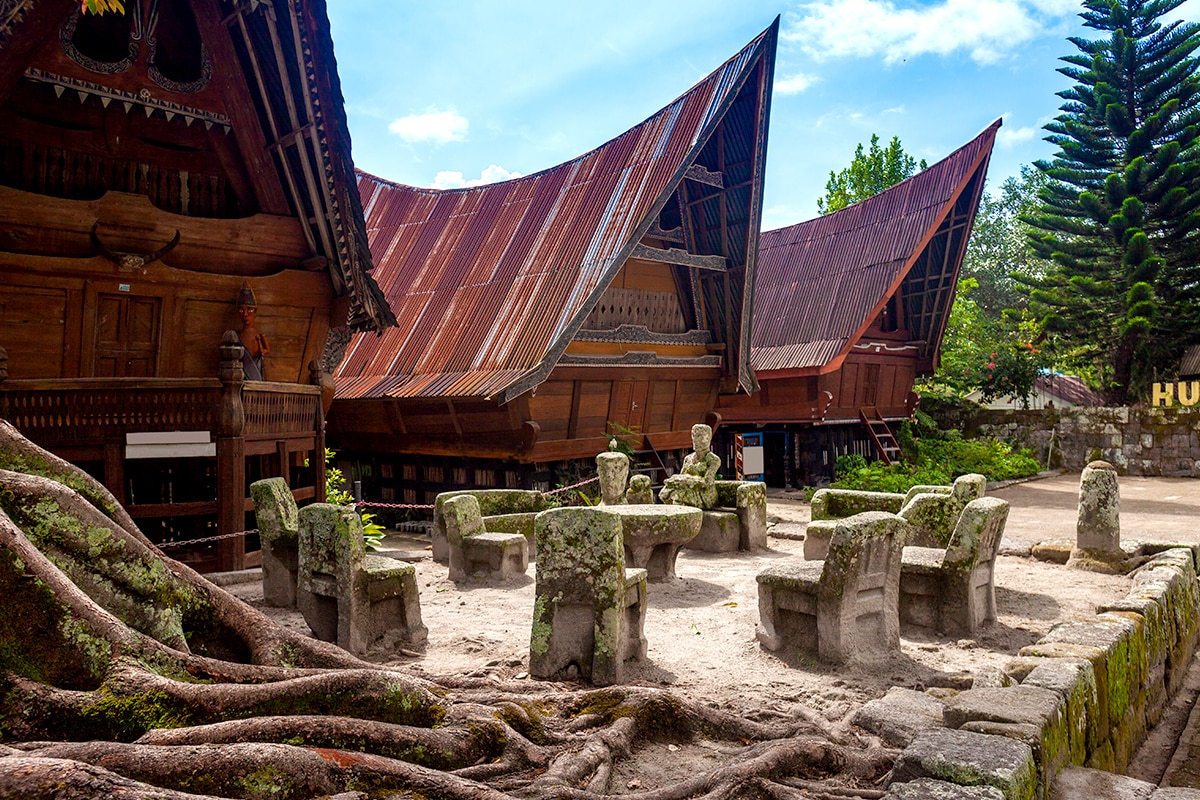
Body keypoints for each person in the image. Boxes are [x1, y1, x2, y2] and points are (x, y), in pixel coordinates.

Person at [659, 423, 721, 509]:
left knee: (681, 494)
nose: (695, 440)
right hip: (688, 489)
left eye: (699, 436)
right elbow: (681, 476)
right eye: (693, 435)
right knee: (671, 491)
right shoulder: (688, 458)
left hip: (703, 493)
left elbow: (707, 482)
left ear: (708, 438)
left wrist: (690, 481)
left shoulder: (713, 459)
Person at [237, 282, 270, 381]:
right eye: (241, 311)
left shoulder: (259, 336)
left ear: (255, 312)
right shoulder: (237, 336)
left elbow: (267, 349)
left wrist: (262, 352)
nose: (245, 315)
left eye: (250, 310)